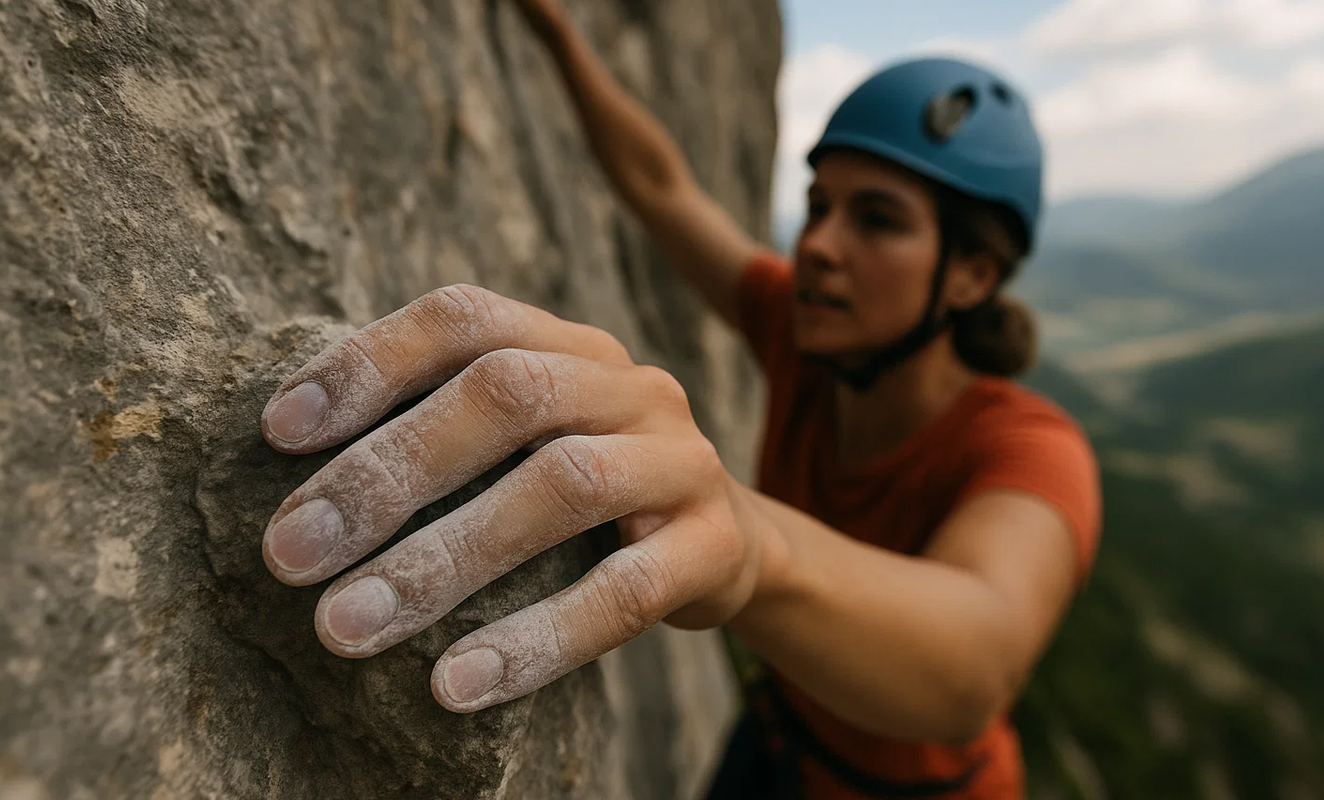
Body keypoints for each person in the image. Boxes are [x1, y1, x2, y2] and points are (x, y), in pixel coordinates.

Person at [257, 1, 1101, 797]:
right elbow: (661, 186)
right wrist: (555, 32)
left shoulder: (1029, 450)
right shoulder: (804, 334)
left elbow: (973, 665)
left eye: (876, 220)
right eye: (817, 208)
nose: (819, 247)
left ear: (973, 274)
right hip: (777, 744)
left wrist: (748, 545)